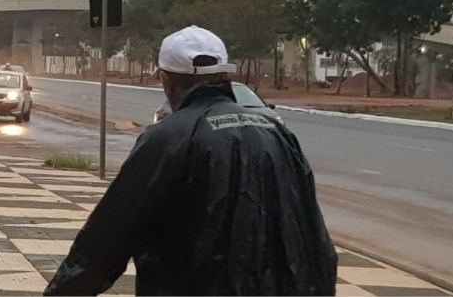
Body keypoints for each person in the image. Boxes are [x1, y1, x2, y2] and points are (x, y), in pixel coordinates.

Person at [44, 26, 337, 296]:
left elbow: (107, 240)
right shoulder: (278, 134)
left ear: (167, 81)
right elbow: (316, 237)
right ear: (225, 76)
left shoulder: (167, 138)